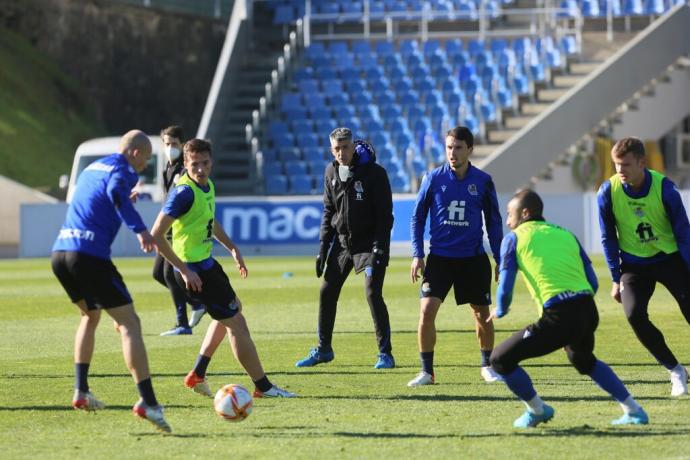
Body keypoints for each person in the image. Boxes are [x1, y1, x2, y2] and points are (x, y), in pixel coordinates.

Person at [489, 189, 648, 428]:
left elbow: (505, 288)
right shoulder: (566, 234)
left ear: (524, 213)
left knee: (500, 359)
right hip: (587, 309)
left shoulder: (513, 238)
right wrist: (576, 305)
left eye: (509, 213)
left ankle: (537, 410)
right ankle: (634, 410)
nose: (508, 220)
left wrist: (500, 310)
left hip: (560, 315)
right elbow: (593, 282)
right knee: (584, 360)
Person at [151, 138, 296, 398]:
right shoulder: (183, 193)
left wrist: (232, 248)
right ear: (185, 164)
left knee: (233, 311)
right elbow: (157, 236)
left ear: (211, 163)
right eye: (194, 164)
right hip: (194, 272)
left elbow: (210, 220)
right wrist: (184, 270)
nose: (200, 169)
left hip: (207, 265)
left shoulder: (207, 186)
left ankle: (197, 374)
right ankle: (263, 387)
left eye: (205, 163)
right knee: (237, 324)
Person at [51, 130, 171, 433]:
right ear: (135, 153)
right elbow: (117, 191)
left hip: (61, 253)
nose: (144, 166)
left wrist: (122, 203)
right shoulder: (123, 170)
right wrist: (141, 230)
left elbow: (103, 199)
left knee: (90, 316)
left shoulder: (94, 167)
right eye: (145, 159)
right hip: (88, 257)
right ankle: (149, 402)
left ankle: (81, 391)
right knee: (130, 323)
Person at [408, 126, 503, 387]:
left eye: (458, 147)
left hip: (472, 258)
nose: (452, 152)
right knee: (426, 311)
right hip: (440, 258)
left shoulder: (482, 181)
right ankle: (427, 372)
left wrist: (499, 258)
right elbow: (417, 217)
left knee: (481, 314)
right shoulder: (433, 178)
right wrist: (417, 254)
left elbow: (494, 222)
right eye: (449, 147)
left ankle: (487, 366)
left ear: (470, 149)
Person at [295, 127, 395, 369]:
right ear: (332, 149)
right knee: (326, 291)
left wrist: (379, 248)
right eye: (337, 148)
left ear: (354, 146)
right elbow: (329, 211)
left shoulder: (375, 173)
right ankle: (323, 349)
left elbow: (385, 217)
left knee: (372, 293)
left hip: (368, 245)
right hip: (342, 244)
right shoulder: (330, 171)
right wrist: (322, 248)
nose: (341, 152)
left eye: (345, 147)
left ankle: (385, 354)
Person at [598, 137, 690, 396]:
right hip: (634, 265)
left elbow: (684, 232)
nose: (620, 171)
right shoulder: (607, 192)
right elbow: (608, 238)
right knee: (633, 314)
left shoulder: (665, 189)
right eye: (617, 165)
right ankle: (675, 370)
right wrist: (616, 279)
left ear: (642, 162)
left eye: (626, 165)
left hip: (669, 259)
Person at [154, 125, 207, 336]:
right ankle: (197, 302)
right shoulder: (166, 168)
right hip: (168, 231)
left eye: (174, 144)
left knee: (169, 274)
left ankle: (182, 323)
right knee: (158, 274)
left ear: (182, 145)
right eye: (167, 144)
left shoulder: (185, 171)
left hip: (178, 231)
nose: (170, 148)